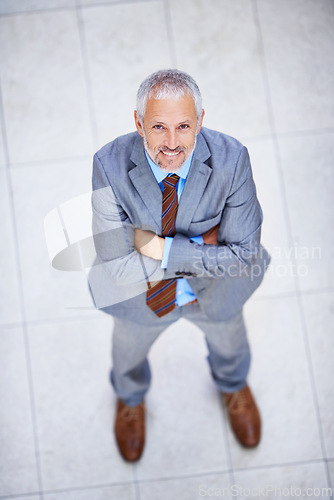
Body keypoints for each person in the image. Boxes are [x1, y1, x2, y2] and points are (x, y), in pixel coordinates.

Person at [89, 69, 270, 462]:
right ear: (139, 123)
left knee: (232, 345)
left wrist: (158, 249)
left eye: (184, 126)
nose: (172, 144)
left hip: (214, 292)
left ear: (201, 121)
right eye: (158, 126)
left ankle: (233, 384)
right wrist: (206, 246)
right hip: (142, 297)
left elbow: (243, 256)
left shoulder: (232, 159)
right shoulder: (108, 165)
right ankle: (130, 398)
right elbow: (117, 267)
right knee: (127, 356)